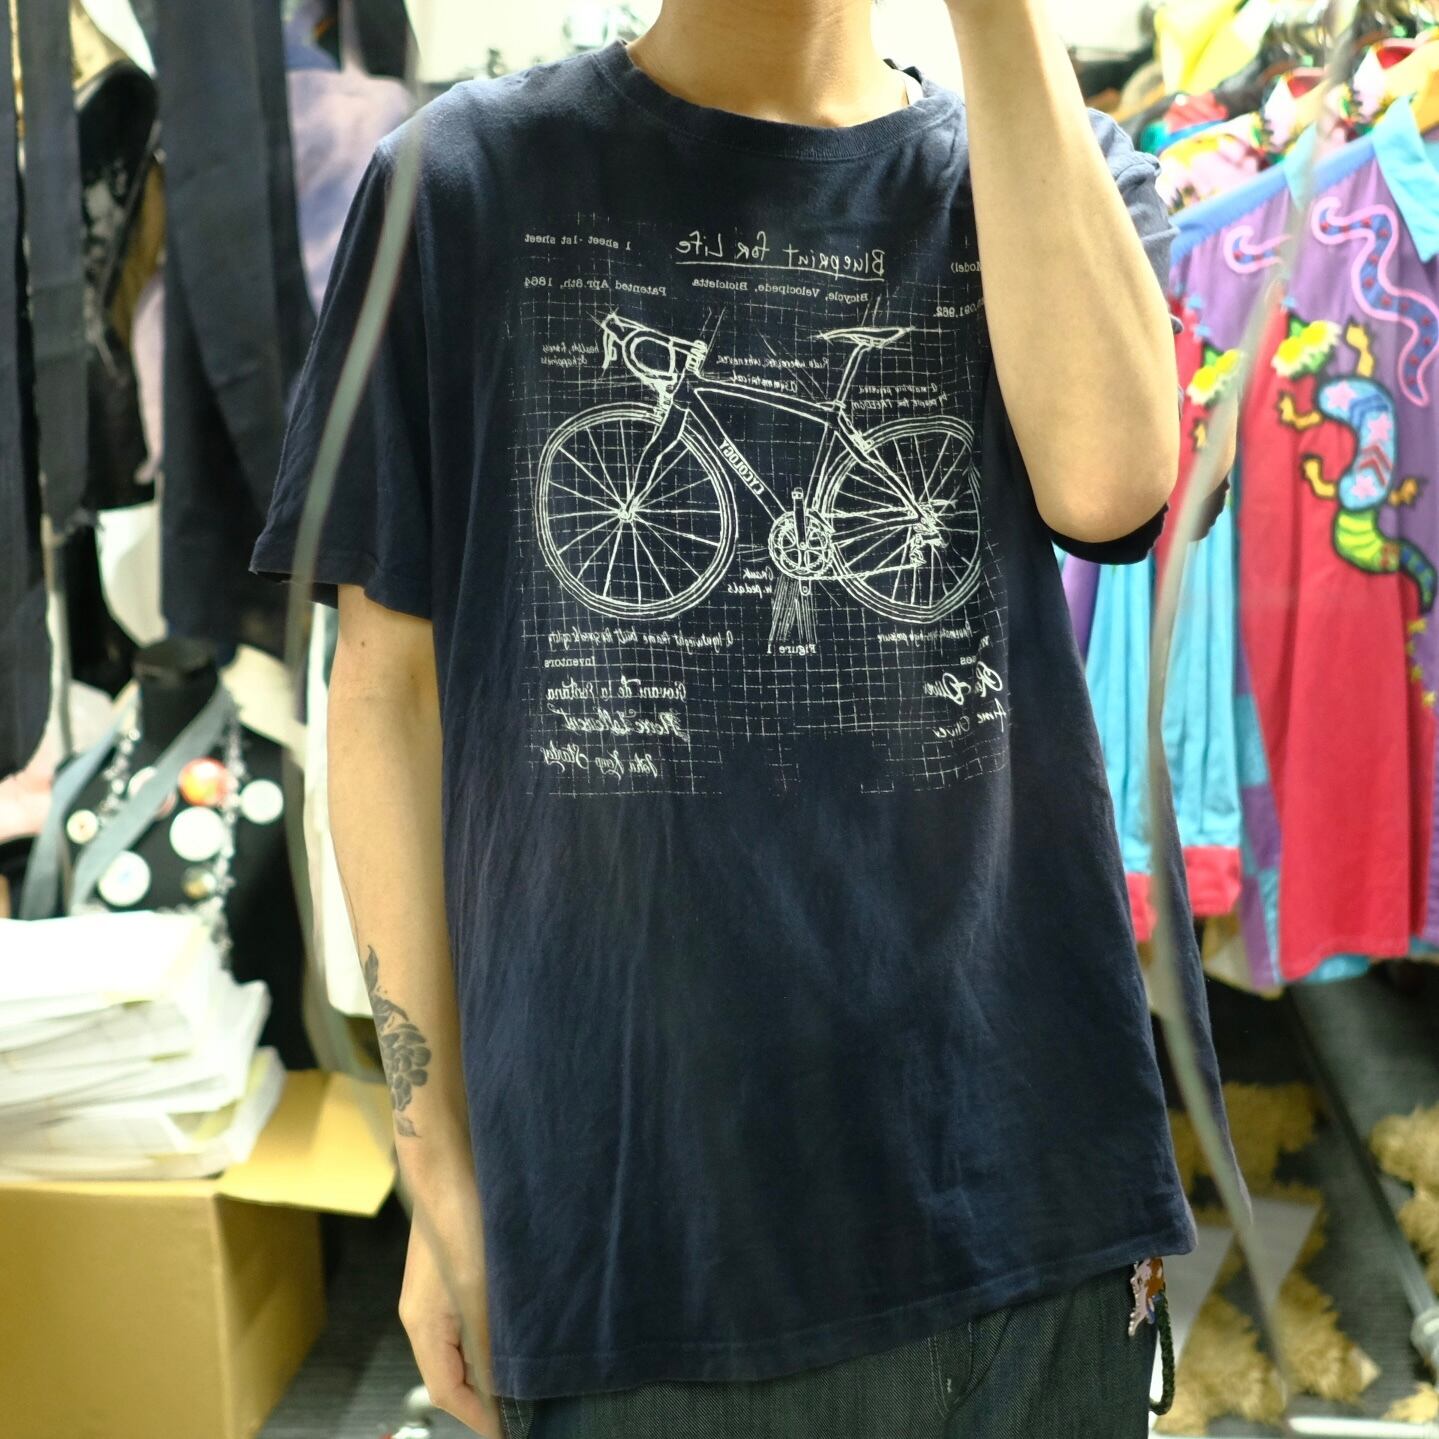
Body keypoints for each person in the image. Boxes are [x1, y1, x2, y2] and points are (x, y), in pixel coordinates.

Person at [253, 1, 1235, 1435]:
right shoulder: (457, 181)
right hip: (625, 1221)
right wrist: (437, 1165)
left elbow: (1110, 486)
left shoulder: (1042, 167)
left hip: (1014, 1191)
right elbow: (386, 696)